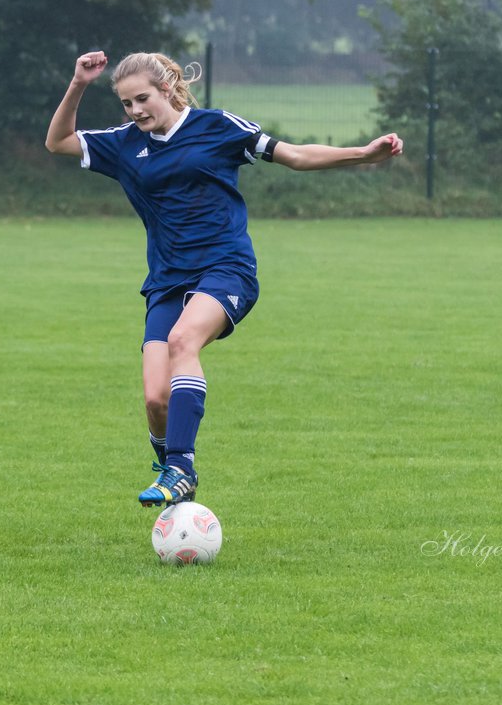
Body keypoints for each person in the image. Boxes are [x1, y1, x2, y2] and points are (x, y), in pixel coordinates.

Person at [46, 50, 403, 507]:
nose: (135, 111)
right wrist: (78, 84)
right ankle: (170, 466)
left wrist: (364, 153)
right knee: (156, 399)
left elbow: (294, 155)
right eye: (126, 104)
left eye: (142, 99)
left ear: (168, 90)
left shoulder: (217, 127)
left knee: (183, 342)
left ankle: (180, 467)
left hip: (226, 267)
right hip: (167, 280)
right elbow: (57, 142)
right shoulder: (123, 144)